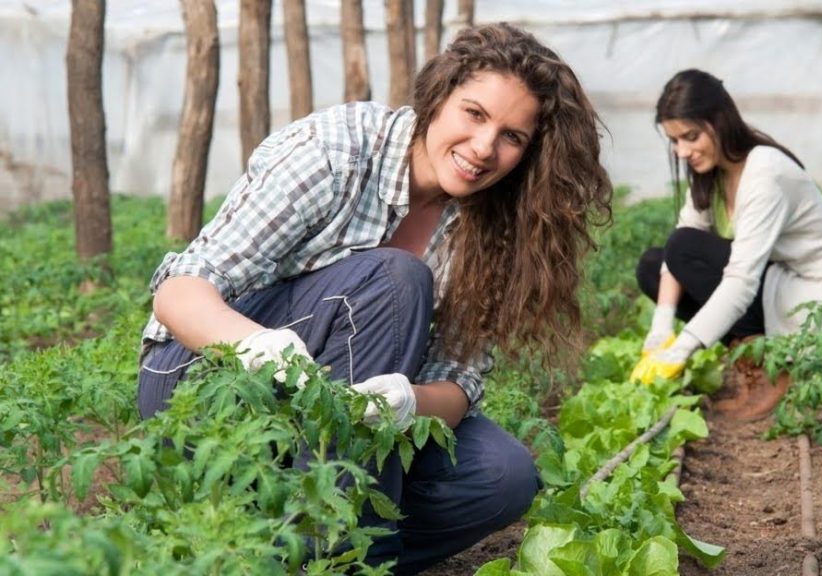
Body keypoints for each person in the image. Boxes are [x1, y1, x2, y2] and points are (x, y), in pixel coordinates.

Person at [137, 23, 612, 574]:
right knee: (396, 278)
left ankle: (287, 549)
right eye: (474, 114)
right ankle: (352, 554)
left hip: (330, 427)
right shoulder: (336, 151)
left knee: (502, 475)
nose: (484, 148)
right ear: (438, 97)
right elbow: (179, 289)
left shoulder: (497, 226)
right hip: (205, 386)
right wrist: (256, 346)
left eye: (512, 137)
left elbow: (461, 380)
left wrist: (407, 401)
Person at [630, 69, 822, 414]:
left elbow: (741, 279)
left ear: (719, 122)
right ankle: (754, 358)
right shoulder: (713, 173)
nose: (682, 151)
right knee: (653, 266)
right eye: (675, 141)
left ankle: (770, 369)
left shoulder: (765, 172)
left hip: (813, 299)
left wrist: (685, 347)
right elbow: (680, 244)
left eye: (690, 136)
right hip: (774, 286)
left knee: (682, 249)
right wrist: (661, 328)